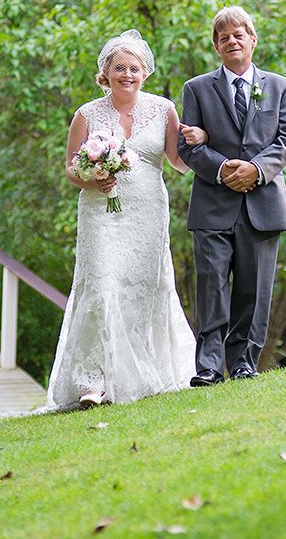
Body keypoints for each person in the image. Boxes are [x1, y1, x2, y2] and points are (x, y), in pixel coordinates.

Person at [46, 30, 198, 410]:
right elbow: (70, 168)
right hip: (100, 211)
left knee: (145, 288)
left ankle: (139, 370)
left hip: (148, 210)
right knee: (100, 285)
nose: (127, 74)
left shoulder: (164, 109)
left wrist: (200, 142)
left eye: (134, 68)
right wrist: (92, 177)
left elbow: (178, 162)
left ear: (144, 73)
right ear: (106, 73)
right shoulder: (87, 114)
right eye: (119, 68)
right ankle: (92, 381)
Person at [177, 7, 286, 385]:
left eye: (239, 34)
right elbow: (188, 145)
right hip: (213, 203)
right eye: (224, 37)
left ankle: (244, 363)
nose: (232, 41)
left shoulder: (282, 87)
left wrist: (256, 171)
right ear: (216, 46)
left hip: (263, 205)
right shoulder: (197, 89)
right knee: (211, 286)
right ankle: (210, 367)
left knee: (254, 289)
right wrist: (222, 169)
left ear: (252, 39)